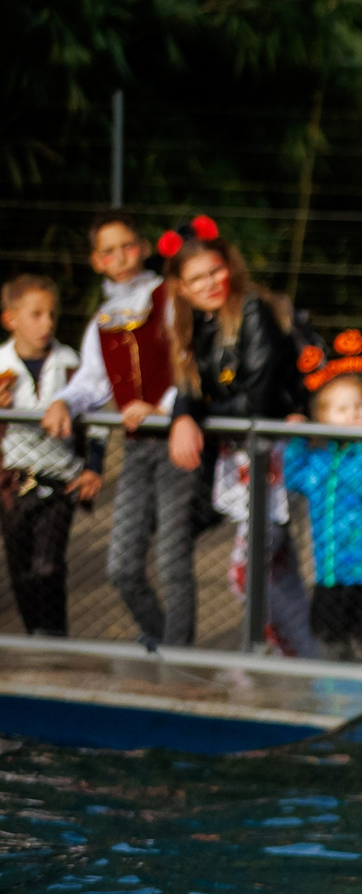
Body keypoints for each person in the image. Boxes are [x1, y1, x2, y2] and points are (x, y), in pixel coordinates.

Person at [163, 221, 311, 654]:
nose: (209, 284)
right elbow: (190, 389)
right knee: (278, 571)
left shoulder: (251, 311)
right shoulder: (196, 329)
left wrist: (200, 417)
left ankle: (277, 656)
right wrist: (183, 416)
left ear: (229, 268)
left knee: (248, 572)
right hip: (242, 461)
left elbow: (259, 399)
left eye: (214, 271)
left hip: (271, 459)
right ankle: (305, 658)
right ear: (181, 289)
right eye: (196, 279)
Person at [50, 214, 187, 645]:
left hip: (179, 444)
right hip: (136, 450)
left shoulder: (169, 297)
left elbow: (191, 364)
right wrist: (63, 400)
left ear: (143, 247)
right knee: (122, 567)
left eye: (127, 246)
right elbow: (92, 380)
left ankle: (181, 657)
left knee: (172, 562)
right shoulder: (103, 318)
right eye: (108, 251)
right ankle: (164, 642)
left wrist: (163, 407)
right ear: (96, 261)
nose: (120, 257)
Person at [285, 361, 362, 666]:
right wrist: (298, 438)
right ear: (323, 417)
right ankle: (334, 700)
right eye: (341, 409)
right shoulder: (321, 458)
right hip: (332, 572)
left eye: (358, 406)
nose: (352, 414)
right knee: (332, 643)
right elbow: (294, 476)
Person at [0, 276, 95, 637]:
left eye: (51, 315)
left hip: (59, 478)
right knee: (21, 569)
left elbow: (97, 419)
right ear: (11, 319)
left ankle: (55, 640)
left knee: (48, 565)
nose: (47, 324)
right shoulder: (1, 363)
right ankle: (35, 640)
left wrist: (94, 467)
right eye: (36, 315)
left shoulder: (71, 362)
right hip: (12, 482)